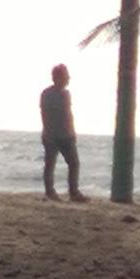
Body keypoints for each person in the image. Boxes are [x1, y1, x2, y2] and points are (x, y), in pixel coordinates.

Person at [40, 63, 88, 202]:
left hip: (66, 135)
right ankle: (50, 192)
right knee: (50, 163)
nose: (68, 79)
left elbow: (68, 114)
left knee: (74, 163)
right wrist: (49, 132)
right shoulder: (48, 94)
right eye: (66, 76)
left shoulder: (66, 93)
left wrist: (71, 132)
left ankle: (73, 192)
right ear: (57, 78)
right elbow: (46, 114)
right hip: (52, 134)